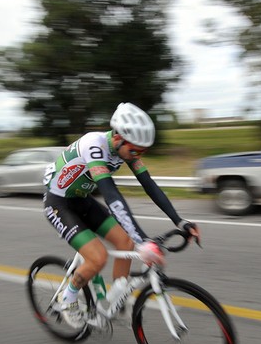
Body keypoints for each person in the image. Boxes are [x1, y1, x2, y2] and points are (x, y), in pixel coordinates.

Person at [42, 102, 201, 326]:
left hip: (82, 200)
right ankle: (67, 298)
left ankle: (115, 300)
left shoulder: (126, 150)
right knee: (98, 258)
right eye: (135, 150)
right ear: (118, 138)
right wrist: (142, 241)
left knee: (125, 243)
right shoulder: (93, 145)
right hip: (59, 204)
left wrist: (180, 221)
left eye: (142, 152)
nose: (137, 156)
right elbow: (111, 194)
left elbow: (150, 186)